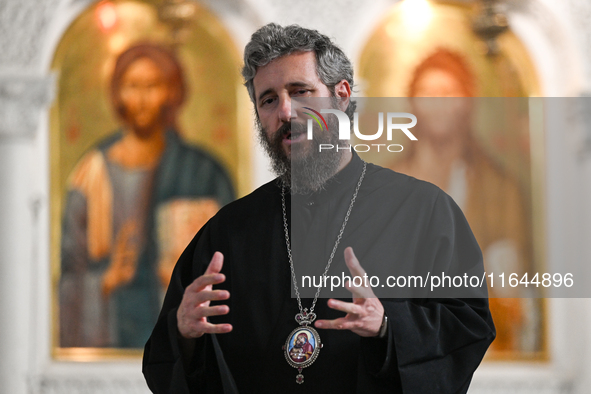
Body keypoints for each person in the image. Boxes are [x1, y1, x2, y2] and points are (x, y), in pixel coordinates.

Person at [143, 24, 495, 393]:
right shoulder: (228, 231)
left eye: (300, 91)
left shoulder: (423, 210)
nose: (285, 111)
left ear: (341, 95)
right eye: (268, 100)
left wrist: (390, 325)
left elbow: (468, 325)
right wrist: (182, 333)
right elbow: (169, 361)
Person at [60, 43, 235, 348]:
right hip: (112, 331)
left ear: (171, 93)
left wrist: (186, 272)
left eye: (152, 86)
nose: (141, 99)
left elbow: (236, 260)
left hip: (179, 330)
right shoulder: (91, 174)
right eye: (132, 86)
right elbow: (68, 277)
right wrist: (107, 279)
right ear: (117, 93)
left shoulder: (203, 172)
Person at [391, 48, 535, 353]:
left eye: (448, 92)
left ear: (467, 102)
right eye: (428, 92)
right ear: (412, 102)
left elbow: (513, 288)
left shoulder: (498, 188)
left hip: (478, 347)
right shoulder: (388, 185)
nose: (438, 103)